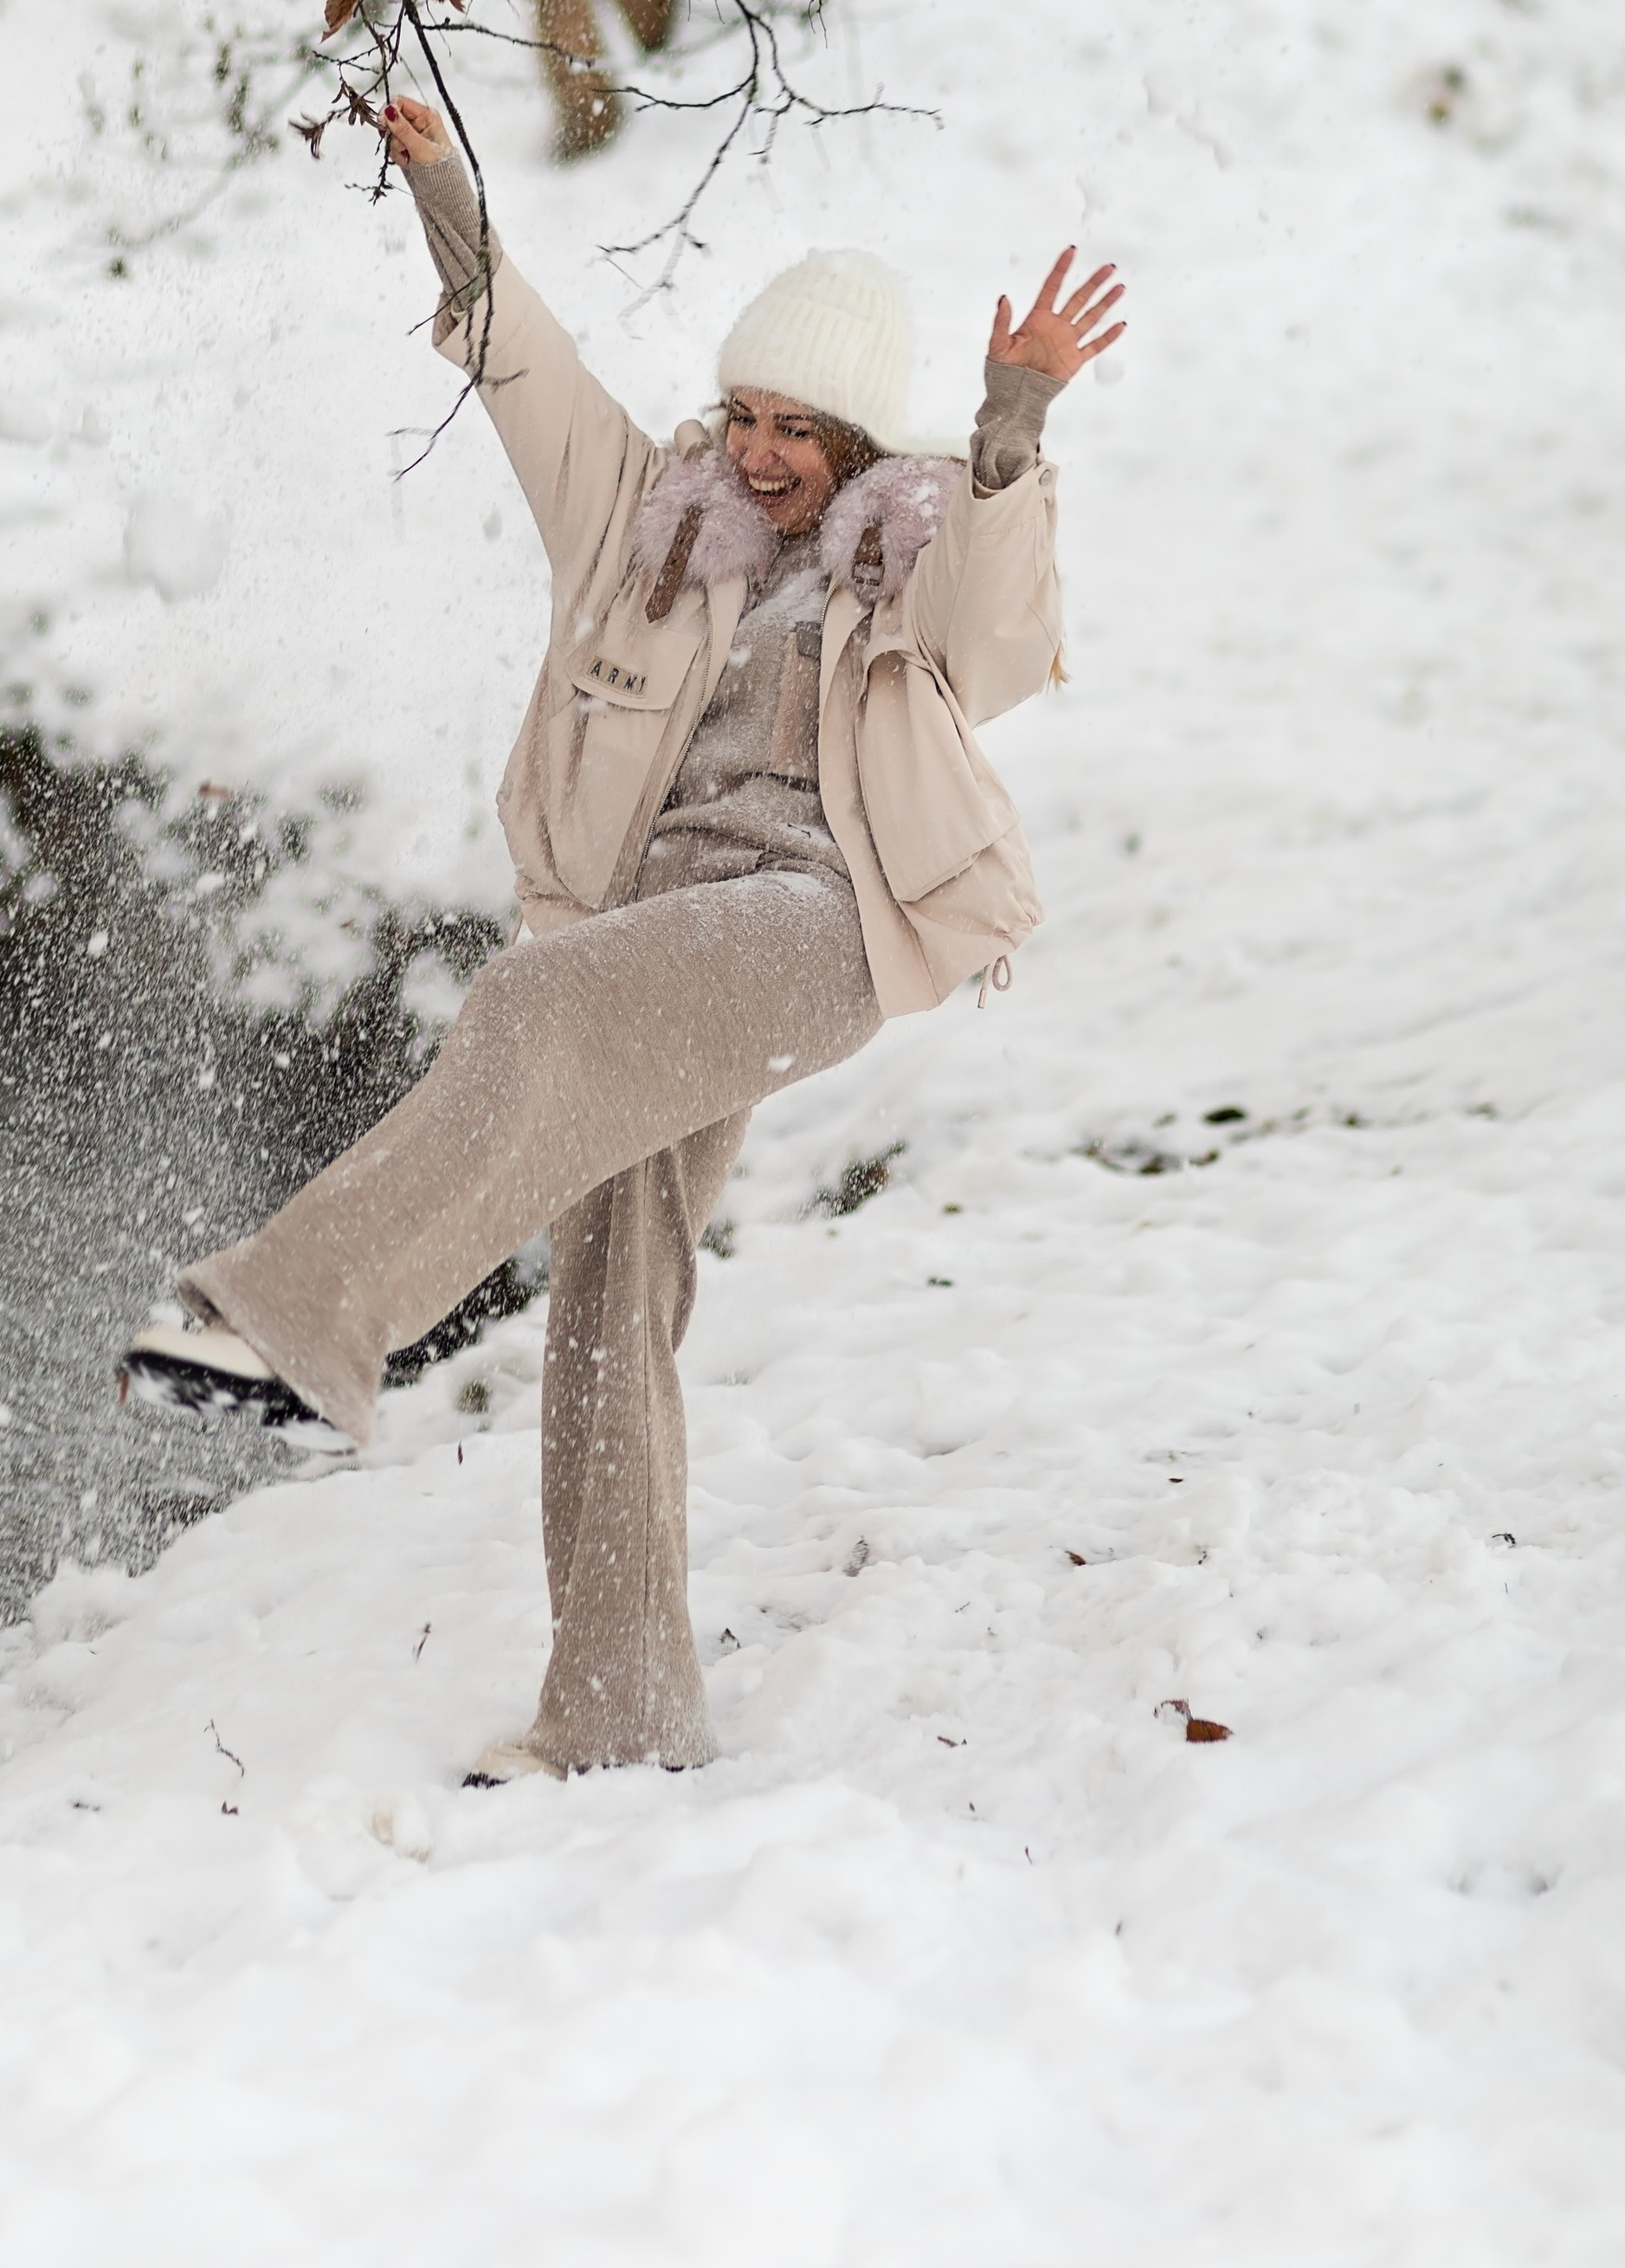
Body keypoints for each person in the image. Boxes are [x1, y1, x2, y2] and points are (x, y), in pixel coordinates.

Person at [120, 98, 1123, 1783]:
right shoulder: (650, 522)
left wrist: (1010, 424)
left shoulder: (911, 556)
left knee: (528, 1007)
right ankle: (621, 1713)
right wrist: (442, 190)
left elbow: (1004, 640)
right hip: (661, 945)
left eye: (801, 430)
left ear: (861, 444)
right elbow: (524, 368)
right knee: (607, 1302)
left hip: (814, 927)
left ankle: (294, 1325)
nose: (761, 453)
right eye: (745, 414)